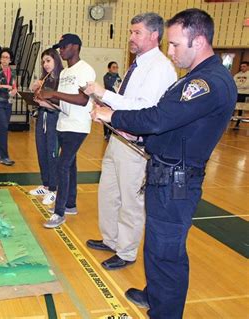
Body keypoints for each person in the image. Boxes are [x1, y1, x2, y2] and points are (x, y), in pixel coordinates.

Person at [89, 9, 237, 318]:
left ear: (198, 41)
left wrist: (112, 115)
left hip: (177, 179)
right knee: (156, 246)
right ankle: (155, 295)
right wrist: (137, 135)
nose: (170, 52)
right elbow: (174, 128)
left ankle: (165, 312)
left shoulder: (207, 82)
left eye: (175, 44)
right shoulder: (195, 78)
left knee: (167, 251)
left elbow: (158, 117)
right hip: (165, 171)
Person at [85, 13, 177, 271]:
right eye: (131, 32)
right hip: (118, 137)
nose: (131, 38)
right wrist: (105, 103)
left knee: (130, 199)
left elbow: (145, 109)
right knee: (108, 192)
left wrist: (104, 95)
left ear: (154, 36)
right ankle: (111, 239)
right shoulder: (137, 64)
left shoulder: (159, 68)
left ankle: (126, 251)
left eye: (137, 33)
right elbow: (128, 102)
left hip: (136, 145)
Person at [35, 34, 96, 228]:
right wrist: (45, 98)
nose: (60, 50)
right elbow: (63, 100)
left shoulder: (85, 69)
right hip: (63, 123)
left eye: (63, 46)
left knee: (62, 165)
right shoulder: (64, 73)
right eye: (59, 47)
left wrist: (53, 93)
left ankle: (59, 212)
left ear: (75, 47)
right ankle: (70, 204)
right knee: (70, 166)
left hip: (78, 126)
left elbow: (83, 99)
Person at [28, 48, 64, 206]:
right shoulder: (45, 78)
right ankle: (46, 184)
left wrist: (47, 103)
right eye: (43, 62)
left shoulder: (62, 79)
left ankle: (54, 189)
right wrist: (34, 90)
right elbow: (38, 98)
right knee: (41, 151)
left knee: (52, 153)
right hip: (42, 117)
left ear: (56, 60)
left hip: (54, 119)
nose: (46, 64)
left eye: (48, 60)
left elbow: (63, 104)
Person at [102, 61, 121, 140]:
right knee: (106, 117)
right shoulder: (106, 77)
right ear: (109, 68)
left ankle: (113, 133)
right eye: (113, 67)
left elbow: (120, 87)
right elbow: (110, 86)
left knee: (114, 116)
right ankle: (106, 133)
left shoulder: (119, 78)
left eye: (117, 67)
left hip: (115, 100)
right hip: (108, 100)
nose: (115, 69)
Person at [233, 61, 248, 128]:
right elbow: (233, 83)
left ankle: (238, 124)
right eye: (241, 66)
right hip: (237, 93)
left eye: (244, 66)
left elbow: (246, 85)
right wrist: (239, 86)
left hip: (245, 94)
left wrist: (238, 85)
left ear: (248, 67)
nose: (242, 68)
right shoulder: (237, 75)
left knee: (240, 109)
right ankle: (231, 119)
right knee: (233, 106)